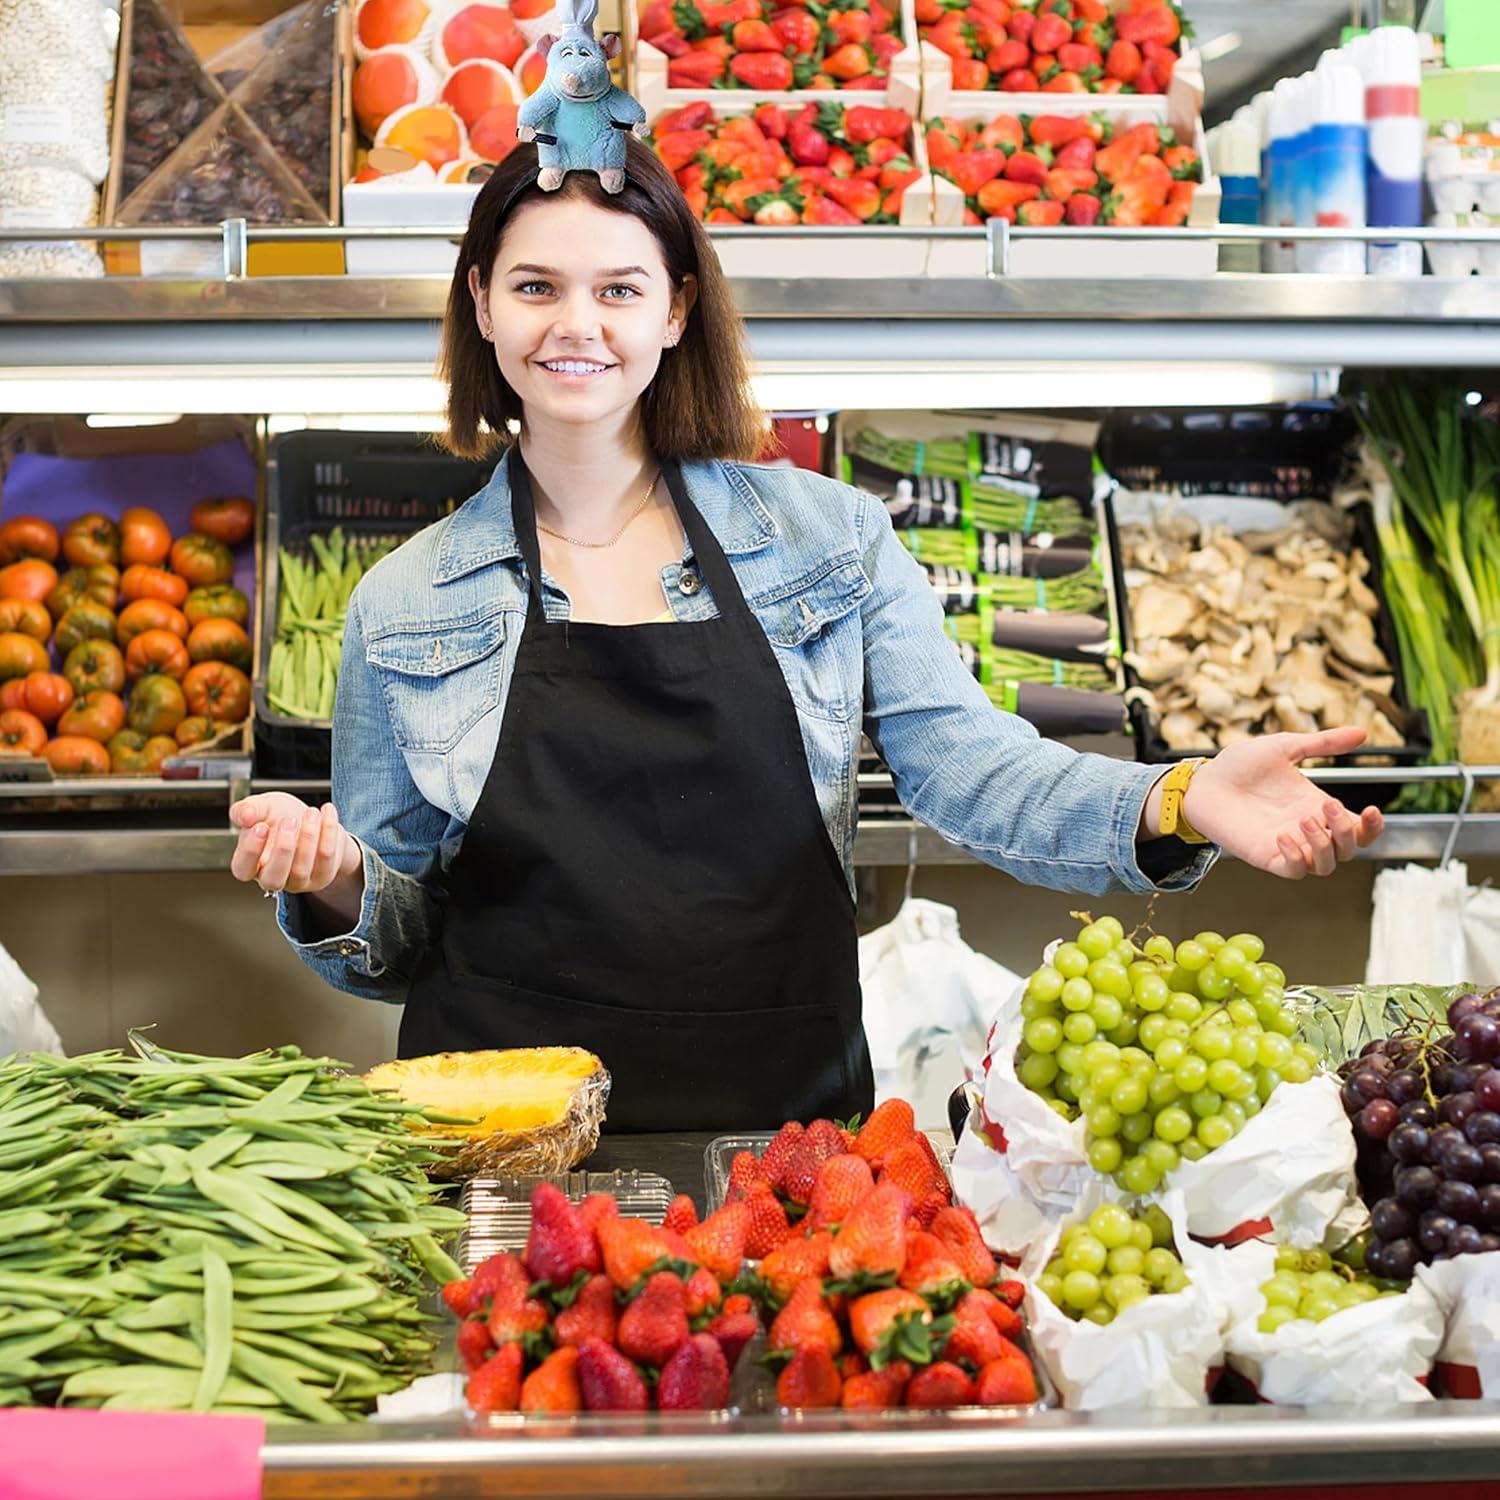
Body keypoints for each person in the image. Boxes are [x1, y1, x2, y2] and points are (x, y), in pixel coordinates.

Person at [229, 137, 1384, 1132]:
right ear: (481, 303)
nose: (576, 324)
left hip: (783, 1134)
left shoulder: (828, 541)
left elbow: (973, 770)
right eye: (536, 287)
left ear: (677, 309)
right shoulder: (407, 599)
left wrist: (1175, 798)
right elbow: (388, 942)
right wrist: (332, 878)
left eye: (620, 290)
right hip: (505, 1145)